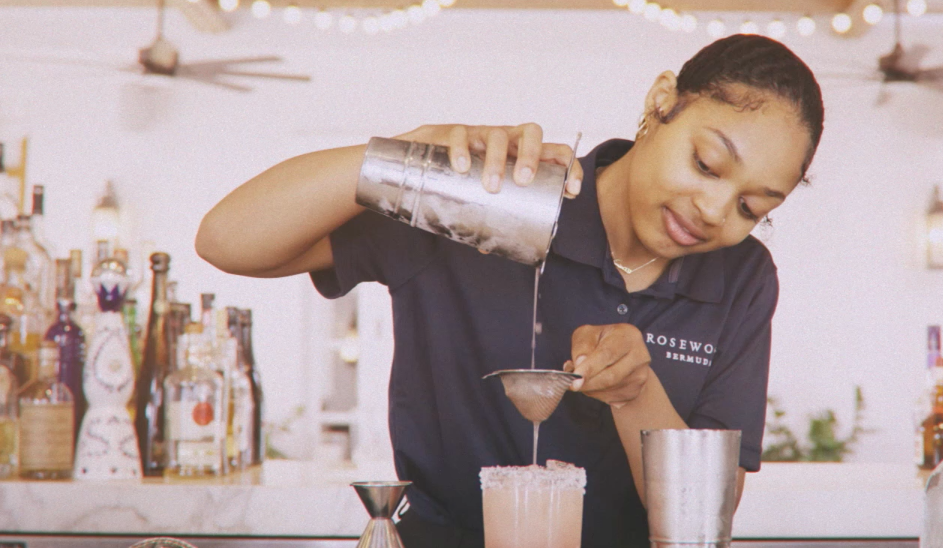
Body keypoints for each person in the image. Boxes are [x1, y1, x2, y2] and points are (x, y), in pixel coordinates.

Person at [196, 33, 824, 548]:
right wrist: (410, 156)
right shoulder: (491, 204)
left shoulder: (741, 278)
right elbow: (228, 240)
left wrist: (636, 390)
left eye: (751, 206)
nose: (714, 210)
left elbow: (703, 517)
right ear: (662, 102)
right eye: (707, 165)